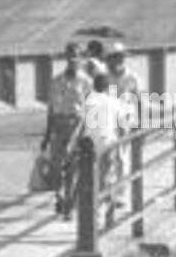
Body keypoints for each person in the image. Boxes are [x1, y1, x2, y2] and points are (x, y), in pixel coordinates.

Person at [43, 44, 92, 215]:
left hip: (77, 125)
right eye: (70, 56)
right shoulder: (56, 81)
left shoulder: (86, 81)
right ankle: (60, 197)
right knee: (56, 165)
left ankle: (69, 201)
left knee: (71, 165)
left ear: (80, 58)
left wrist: (89, 131)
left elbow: (91, 108)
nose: (72, 59)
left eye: (76, 56)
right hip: (58, 124)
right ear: (65, 57)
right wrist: (46, 135)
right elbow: (51, 109)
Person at [76, 73, 124, 226]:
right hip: (108, 142)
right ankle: (108, 214)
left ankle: (95, 216)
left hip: (90, 144)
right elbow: (121, 125)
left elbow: (84, 123)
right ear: (108, 87)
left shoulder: (88, 101)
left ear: (94, 86)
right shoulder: (113, 101)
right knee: (107, 178)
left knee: (92, 179)